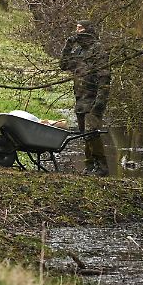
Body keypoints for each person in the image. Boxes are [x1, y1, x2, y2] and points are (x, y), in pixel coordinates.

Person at [59, 20, 111, 176]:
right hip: (80, 98)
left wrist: (100, 102)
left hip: (93, 98)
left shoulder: (98, 50)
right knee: (84, 133)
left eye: (80, 29)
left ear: (88, 30)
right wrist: (68, 45)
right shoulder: (79, 51)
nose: (77, 32)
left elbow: (105, 78)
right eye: (76, 29)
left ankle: (101, 167)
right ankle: (89, 166)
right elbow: (63, 64)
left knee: (92, 131)